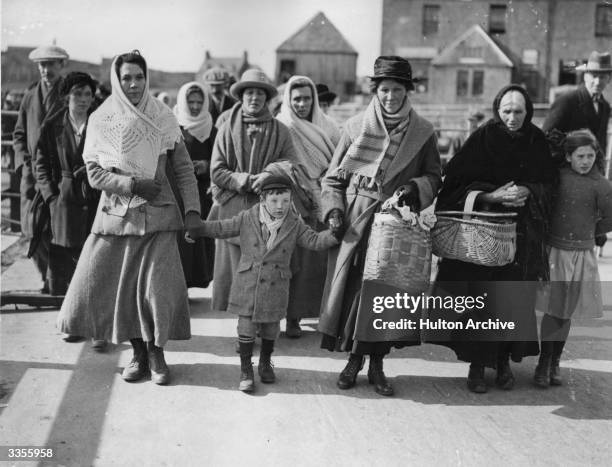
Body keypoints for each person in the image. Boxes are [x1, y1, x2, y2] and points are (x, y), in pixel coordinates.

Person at [56, 51, 202, 385]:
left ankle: (157, 354)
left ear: (146, 78)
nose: (133, 84)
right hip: (117, 218)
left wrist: (192, 210)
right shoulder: (102, 118)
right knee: (121, 290)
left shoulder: (164, 116)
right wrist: (132, 184)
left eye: (138, 77)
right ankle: (137, 353)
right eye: (126, 78)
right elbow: (94, 174)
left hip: (161, 218)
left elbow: (182, 169)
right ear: (116, 80)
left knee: (157, 290)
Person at [318, 56, 442, 396]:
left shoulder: (423, 132)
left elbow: (434, 175)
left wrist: (413, 188)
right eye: (384, 89)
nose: (390, 97)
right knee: (356, 292)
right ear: (376, 90)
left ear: (407, 91)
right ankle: (354, 361)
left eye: (397, 90)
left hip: (395, 222)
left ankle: (376, 364)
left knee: (386, 296)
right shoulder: (355, 127)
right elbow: (333, 179)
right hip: (358, 221)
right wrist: (333, 211)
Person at [431, 84, 556, 394]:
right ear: (497, 112)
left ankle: (502, 362)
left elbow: (551, 184)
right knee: (482, 299)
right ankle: (477, 365)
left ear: (528, 113)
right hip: (484, 233)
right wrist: (491, 195)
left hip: (522, 234)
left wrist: (529, 191)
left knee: (512, 297)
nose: (513, 118)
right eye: (507, 112)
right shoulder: (483, 139)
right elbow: (453, 186)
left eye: (519, 112)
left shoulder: (537, 141)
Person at [187, 174, 339, 392]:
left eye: (286, 201)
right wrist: (199, 228)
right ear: (263, 200)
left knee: (271, 329)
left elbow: (314, 240)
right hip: (248, 283)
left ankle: (266, 361)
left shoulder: (294, 224)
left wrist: (334, 235)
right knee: (246, 327)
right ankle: (246, 369)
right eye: (275, 201)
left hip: (276, 286)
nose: (280, 206)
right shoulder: (247, 218)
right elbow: (222, 228)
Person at [208, 68, 296, 314]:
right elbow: (217, 170)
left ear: (267, 98)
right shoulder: (226, 129)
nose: (254, 98)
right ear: (241, 97)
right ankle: (244, 326)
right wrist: (244, 179)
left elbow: (291, 164)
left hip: (269, 211)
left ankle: (260, 320)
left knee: (266, 269)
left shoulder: (280, 130)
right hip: (235, 208)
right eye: (249, 93)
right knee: (239, 271)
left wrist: (269, 176)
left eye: (259, 93)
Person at [534, 129, 612, 388]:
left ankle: (555, 361)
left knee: (565, 312)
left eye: (590, 155)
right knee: (553, 309)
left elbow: (610, 216)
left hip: (582, 254)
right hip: (556, 251)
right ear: (568, 156)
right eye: (580, 156)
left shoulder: (600, 184)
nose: (586, 161)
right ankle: (544, 362)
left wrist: (592, 232)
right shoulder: (558, 178)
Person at [35, 72, 102, 346]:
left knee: (96, 261)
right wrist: (51, 196)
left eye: (88, 94)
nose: (84, 99)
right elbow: (39, 163)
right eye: (78, 94)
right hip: (63, 198)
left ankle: (98, 326)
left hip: (96, 195)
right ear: (66, 96)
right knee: (65, 260)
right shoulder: (53, 125)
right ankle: (72, 322)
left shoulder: (101, 122)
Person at [276, 75, 340, 337]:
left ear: (314, 99)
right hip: (293, 198)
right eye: (297, 99)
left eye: (306, 98)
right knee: (293, 259)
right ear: (289, 100)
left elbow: (340, 159)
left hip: (324, 195)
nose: (302, 104)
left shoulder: (330, 126)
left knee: (318, 260)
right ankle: (290, 316)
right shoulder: (282, 125)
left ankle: (313, 314)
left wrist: (327, 178)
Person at [13, 45, 69, 293]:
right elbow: (19, 134)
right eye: (42, 65)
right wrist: (23, 162)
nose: (46, 70)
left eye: (52, 64)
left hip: (59, 175)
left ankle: (54, 280)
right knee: (33, 229)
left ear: (62, 65)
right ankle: (46, 276)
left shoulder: (71, 95)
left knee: (59, 228)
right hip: (32, 175)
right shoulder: (30, 96)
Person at [173, 81, 216, 288]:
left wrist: (207, 165)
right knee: (181, 239)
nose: (196, 106)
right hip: (180, 191)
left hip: (203, 190)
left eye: (200, 102)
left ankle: (196, 280)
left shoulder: (212, 128)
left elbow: (220, 158)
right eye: (191, 102)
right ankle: (180, 285)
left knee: (199, 238)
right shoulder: (173, 127)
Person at [543, 51, 611, 173]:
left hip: (593, 174)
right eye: (593, 76)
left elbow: (601, 142)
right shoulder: (567, 101)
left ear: (609, 79)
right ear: (585, 76)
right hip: (567, 172)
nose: (597, 81)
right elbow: (546, 137)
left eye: (602, 77)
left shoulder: (605, 106)